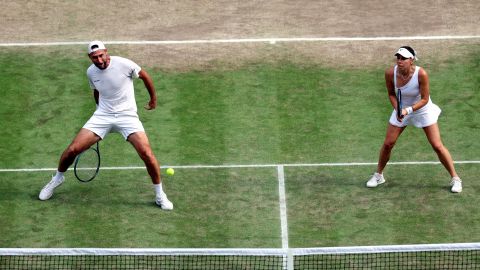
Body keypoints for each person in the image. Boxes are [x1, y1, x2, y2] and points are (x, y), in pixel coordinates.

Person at [39, 40, 174, 209]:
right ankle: (57, 179)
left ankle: (160, 195)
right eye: (95, 57)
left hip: (127, 116)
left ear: (106, 52)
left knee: (146, 153)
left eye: (101, 55)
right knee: (72, 150)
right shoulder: (91, 72)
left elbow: (145, 76)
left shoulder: (124, 64)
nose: (100, 60)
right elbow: (97, 90)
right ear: (90, 57)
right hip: (103, 116)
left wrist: (153, 99)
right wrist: (98, 110)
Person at [366, 46, 462, 193]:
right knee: (388, 144)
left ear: (411, 60)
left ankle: (455, 178)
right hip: (402, 108)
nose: (399, 61)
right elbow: (391, 94)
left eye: (403, 58)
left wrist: (408, 110)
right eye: (398, 57)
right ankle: (379, 175)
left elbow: (424, 99)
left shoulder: (421, 74)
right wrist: (398, 109)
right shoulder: (390, 73)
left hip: (422, 109)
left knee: (437, 145)